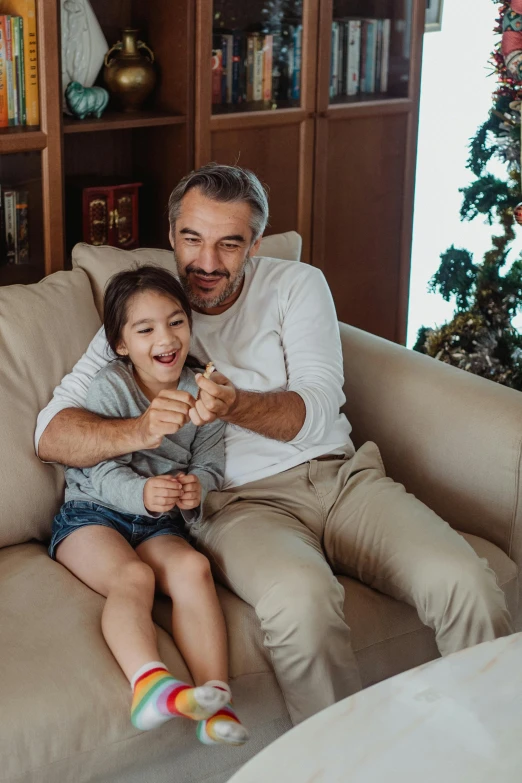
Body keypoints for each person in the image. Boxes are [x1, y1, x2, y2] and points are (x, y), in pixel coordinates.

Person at [37, 164, 513, 727]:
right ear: (171, 236)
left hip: (341, 479)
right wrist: (139, 430)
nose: (206, 262)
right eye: (192, 239)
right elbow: (51, 433)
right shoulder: (152, 314)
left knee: (465, 581)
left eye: (229, 244)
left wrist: (236, 404)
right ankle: (336, 765)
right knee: (301, 604)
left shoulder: (297, 284)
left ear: (256, 245)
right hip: (236, 506)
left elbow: (316, 409)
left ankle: (499, 750)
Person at [48, 264, 248, 747]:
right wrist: (140, 493)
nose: (167, 337)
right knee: (133, 577)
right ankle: (150, 684)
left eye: (176, 321)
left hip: (159, 524)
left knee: (194, 568)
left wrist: (195, 488)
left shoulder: (203, 390)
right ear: (121, 344)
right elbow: (95, 466)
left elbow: (211, 463)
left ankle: (214, 703)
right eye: (146, 329)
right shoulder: (111, 388)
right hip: (91, 515)